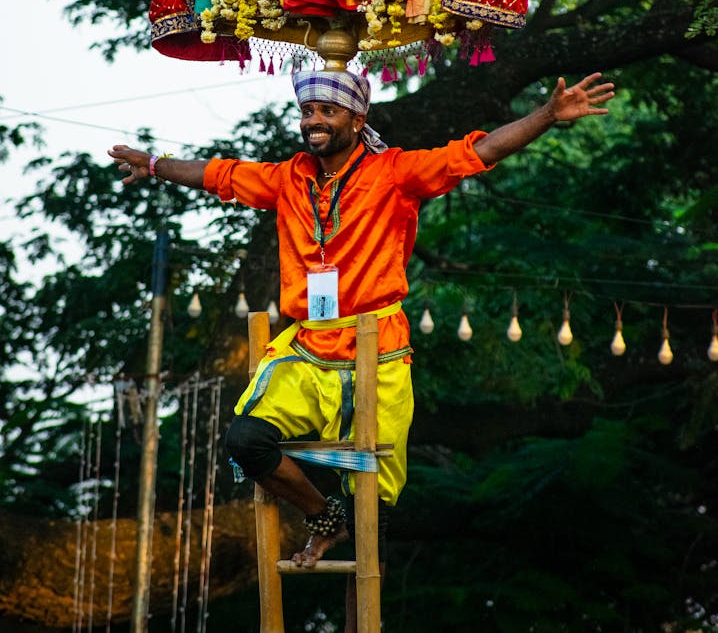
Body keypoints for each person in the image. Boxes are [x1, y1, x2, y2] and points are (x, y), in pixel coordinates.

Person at [109, 67, 614, 627]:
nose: (313, 122)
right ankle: (322, 516)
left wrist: (547, 114)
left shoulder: (395, 172)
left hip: (379, 352)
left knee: (371, 515)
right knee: (246, 441)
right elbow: (218, 175)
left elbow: (482, 151)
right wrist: (153, 165)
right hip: (306, 349)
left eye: (327, 112)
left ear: (357, 118)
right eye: (307, 112)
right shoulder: (288, 178)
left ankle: (355, 597)